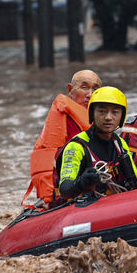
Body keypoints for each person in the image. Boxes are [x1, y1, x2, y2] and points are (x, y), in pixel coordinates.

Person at [24, 70, 102, 206]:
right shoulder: (63, 119)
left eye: (95, 89)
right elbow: (51, 160)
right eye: (84, 88)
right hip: (68, 190)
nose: (90, 95)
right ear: (70, 90)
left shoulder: (105, 120)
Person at [57, 86, 137, 199]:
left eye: (115, 112)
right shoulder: (76, 146)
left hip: (117, 204)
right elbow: (65, 189)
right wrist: (82, 182)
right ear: (92, 114)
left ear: (122, 116)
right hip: (86, 208)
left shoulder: (119, 144)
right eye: (102, 111)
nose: (108, 117)